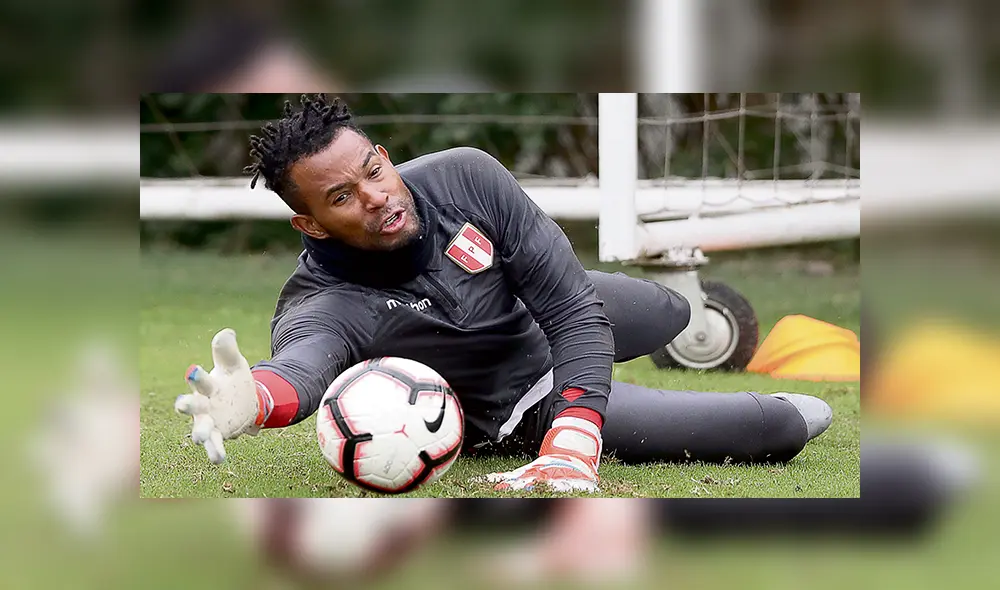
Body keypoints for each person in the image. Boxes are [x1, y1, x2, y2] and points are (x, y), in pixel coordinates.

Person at [174, 94, 833, 493]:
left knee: (673, 311)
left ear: (380, 153)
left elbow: (572, 308)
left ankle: (635, 351)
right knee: (779, 424)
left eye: (373, 170)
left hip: (536, 318)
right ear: (311, 223)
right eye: (343, 198)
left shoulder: (468, 176)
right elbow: (301, 367)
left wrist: (576, 370)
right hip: (517, 403)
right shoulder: (323, 303)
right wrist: (257, 399)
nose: (376, 197)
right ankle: (581, 400)